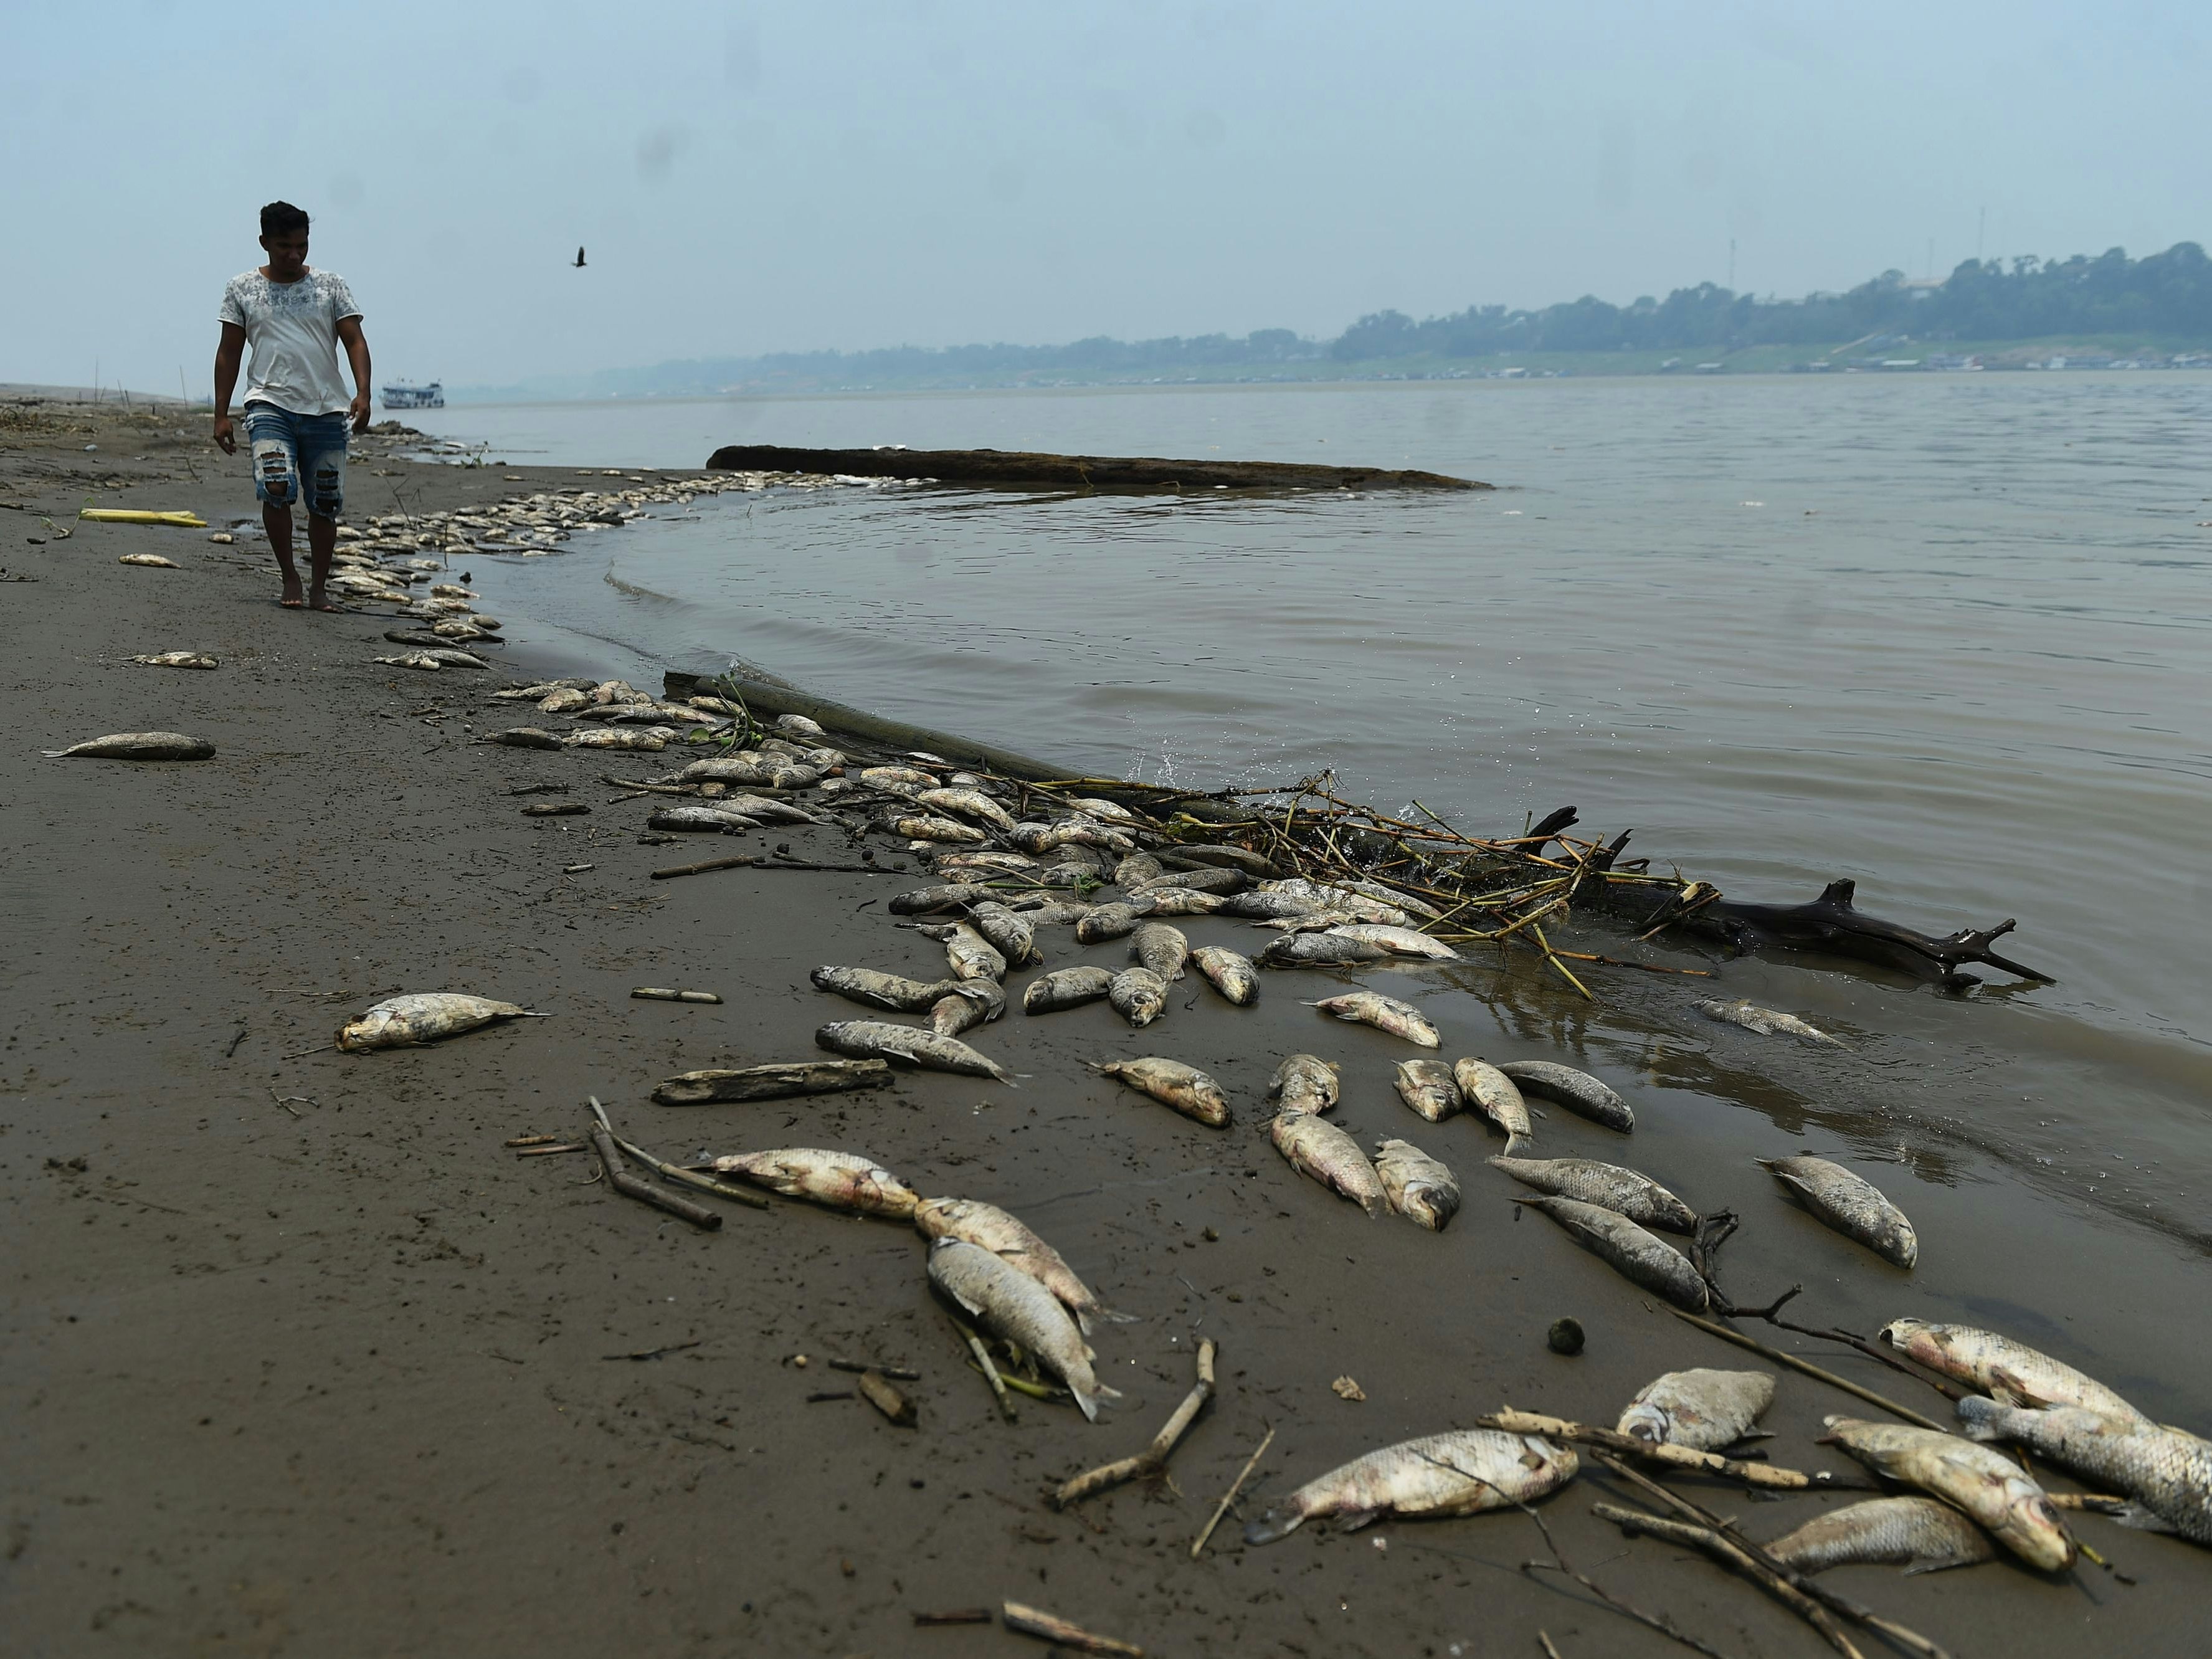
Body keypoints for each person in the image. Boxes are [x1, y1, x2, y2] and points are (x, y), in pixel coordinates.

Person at [211, 202, 372, 611]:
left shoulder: (330, 285)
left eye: (301, 245)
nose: (294, 254)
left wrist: (363, 392)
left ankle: (320, 587)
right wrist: (221, 413)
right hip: (269, 403)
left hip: (327, 408)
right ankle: (289, 576)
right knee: (276, 486)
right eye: (284, 246)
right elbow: (229, 352)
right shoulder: (242, 288)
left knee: (324, 501)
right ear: (265, 242)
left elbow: (354, 339)